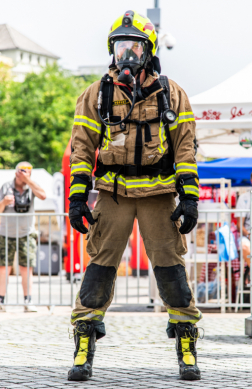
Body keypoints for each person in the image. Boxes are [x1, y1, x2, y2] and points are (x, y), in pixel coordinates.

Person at [68, 11, 202, 382]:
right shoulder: (97, 94)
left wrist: (189, 200)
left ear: (149, 50)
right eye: (119, 46)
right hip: (113, 193)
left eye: (134, 46)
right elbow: (82, 148)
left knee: (170, 269)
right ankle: (83, 344)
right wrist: (77, 199)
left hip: (159, 193)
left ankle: (186, 343)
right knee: (99, 269)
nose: (126, 54)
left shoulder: (172, 94)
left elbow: (186, 150)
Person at [0, 162, 46, 312]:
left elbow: (43, 196)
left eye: (27, 171)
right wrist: (4, 202)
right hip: (5, 233)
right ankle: (1, 301)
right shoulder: (6, 186)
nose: (24, 173)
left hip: (27, 233)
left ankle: (28, 300)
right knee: (3, 268)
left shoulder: (32, 186)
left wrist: (28, 181)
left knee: (26, 268)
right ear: (15, 172)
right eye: (21, 170)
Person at [235, 176, 252, 269]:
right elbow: (239, 225)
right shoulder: (244, 198)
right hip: (247, 236)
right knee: (245, 246)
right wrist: (249, 235)